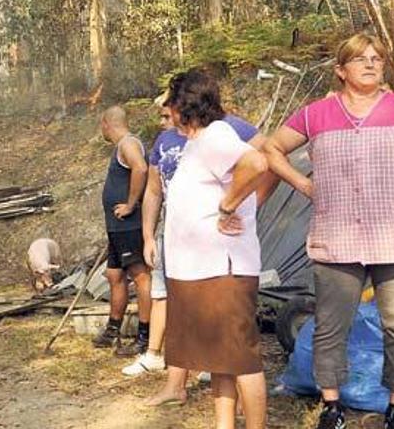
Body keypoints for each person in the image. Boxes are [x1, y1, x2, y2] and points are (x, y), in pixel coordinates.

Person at [264, 33, 394, 429]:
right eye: (360, 59)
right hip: (337, 242)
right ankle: (331, 407)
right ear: (340, 70)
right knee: (331, 328)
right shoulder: (316, 113)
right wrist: (302, 184)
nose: (370, 64)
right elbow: (271, 148)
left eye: (376, 58)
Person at [122, 82, 268, 395]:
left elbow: (261, 162)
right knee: (176, 310)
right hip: (181, 247)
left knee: (236, 352)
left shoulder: (223, 130)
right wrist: (148, 236)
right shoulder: (171, 140)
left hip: (219, 256)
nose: (166, 117)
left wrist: (238, 204)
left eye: (169, 110)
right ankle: (176, 386)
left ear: (185, 106)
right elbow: (153, 190)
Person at [162, 69, 269, 429]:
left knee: (242, 360)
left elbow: (257, 163)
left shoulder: (215, 135)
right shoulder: (199, 141)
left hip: (222, 269)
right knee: (220, 362)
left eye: (170, 101)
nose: (167, 109)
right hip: (198, 271)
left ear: (183, 104)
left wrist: (227, 206)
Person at [91, 105, 151, 357]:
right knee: (114, 275)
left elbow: (141, 168)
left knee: (140, 276)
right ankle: (112, 329)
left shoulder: (128, 143)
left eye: (101, 126)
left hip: (129, 224)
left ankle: (144, 337)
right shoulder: (121, 146)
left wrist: (130, 204)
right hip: (116, 227)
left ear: (107, 123)